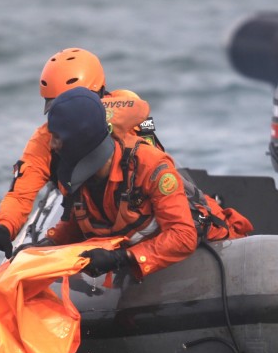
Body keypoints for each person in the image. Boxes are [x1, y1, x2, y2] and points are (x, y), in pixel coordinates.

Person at [0, 48, 159, 261]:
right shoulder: (46, 139)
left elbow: (150, 166)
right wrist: (3, 229)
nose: (61, 115)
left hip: (132, 208)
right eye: (56, 108)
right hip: (80, 209)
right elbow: (21, 192)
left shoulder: (128, 121)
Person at [39, 87, 252, 279]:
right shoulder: (74, 174)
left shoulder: (149, 165)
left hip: (213, 251)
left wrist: (122, 258)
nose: (52, 144)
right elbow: (74, 222)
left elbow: (183, 236)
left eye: (57, 137)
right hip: (145, 258)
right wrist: (45, 247)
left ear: (81, 139)